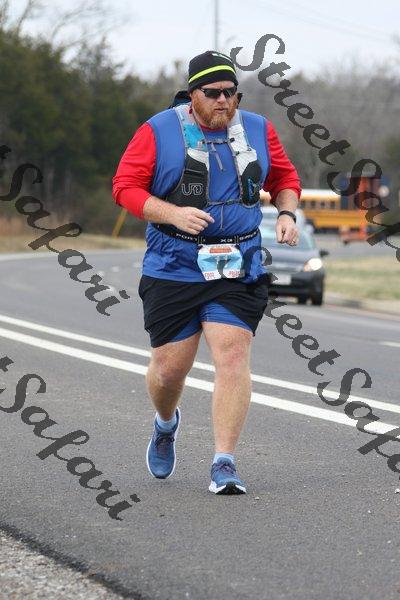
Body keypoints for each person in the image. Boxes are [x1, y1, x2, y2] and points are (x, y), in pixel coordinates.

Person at [112, 50, 301, 495]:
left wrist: (287, 213)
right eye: (213, 93)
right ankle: (165, 423)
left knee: (232, 355)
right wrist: (172, 213)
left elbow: (284, 179)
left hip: (238, 263)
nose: (223, 101)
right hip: (173, 263)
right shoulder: (157, 130)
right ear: (192, 94)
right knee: (168, 372)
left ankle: (224, 462)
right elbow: (124, 187)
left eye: (231, 93)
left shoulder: (258, 129)